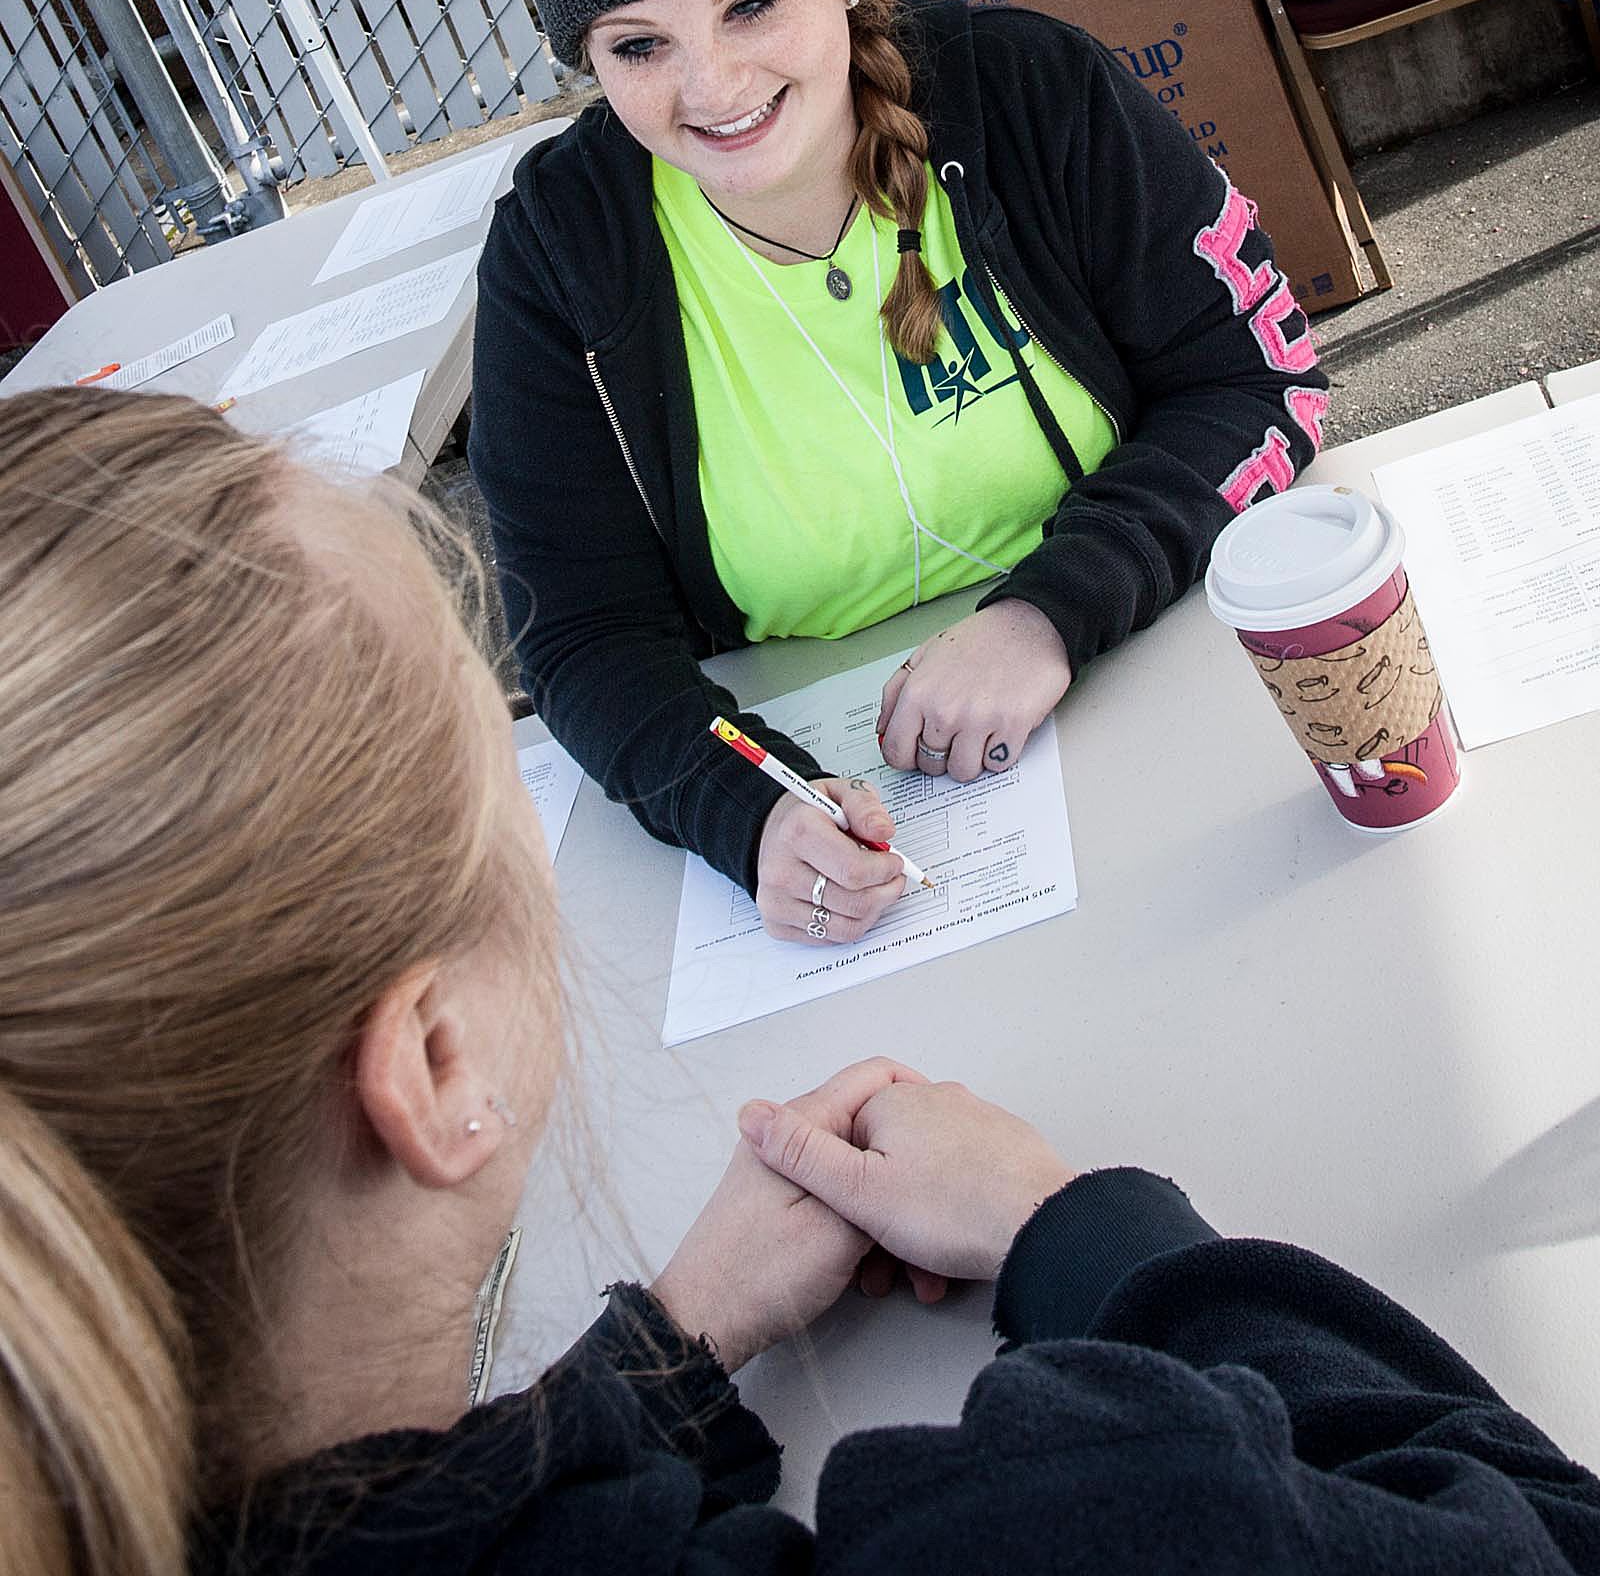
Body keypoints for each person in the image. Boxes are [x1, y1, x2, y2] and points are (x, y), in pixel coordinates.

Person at [2, 388, 1598, 1576]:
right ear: (428, 1068)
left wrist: (670, 1355)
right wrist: (1085, 1235)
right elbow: (1531, 1528)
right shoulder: (1103, 1524)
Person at [470, 0, 1332, 944]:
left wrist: (1047, 611)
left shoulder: (1033, 95)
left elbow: (1260, 379)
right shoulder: (563, 248)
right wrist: (747, 804)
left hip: (1152, 652)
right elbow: (585, 634)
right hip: (872, 805)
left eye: (753, 4)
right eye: (637, 45)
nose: (709, 88)